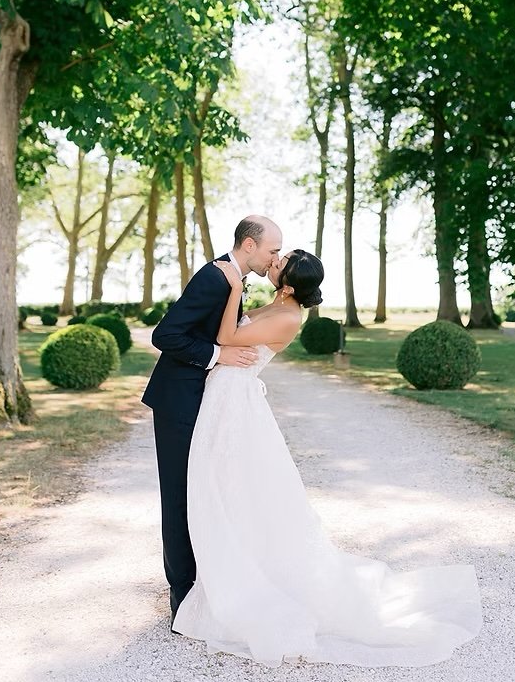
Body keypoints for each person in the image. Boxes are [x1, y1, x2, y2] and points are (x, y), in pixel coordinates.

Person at [172, 250, 483, 667]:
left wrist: (232, 287)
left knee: (232, 488)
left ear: (286, 284)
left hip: (235, 401)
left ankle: (243, 582)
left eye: (281, 262)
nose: (275, 259)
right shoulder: (278, 303)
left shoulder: (288, 316)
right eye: (278, 254)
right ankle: (220, 574)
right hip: (224, 397)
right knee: (222, 488)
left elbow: (227, 337)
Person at [141, 215, 283, 626]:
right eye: (272, 250)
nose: (274, 258)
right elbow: (165, 335)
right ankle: (181, 596)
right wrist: (218, 356)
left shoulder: (233, 279)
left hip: (203, 402)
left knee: (204, 489)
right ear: (249, 245)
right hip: (178, 402)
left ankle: (203, 584)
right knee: (179, 495)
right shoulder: (215, 277)